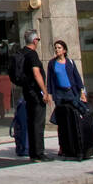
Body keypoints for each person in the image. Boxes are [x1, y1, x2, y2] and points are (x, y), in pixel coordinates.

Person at [46, 39, 90, 160]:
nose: (57, 50)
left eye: (59, 48)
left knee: (75, 118)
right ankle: (63, 146)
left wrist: (82, 92)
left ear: (64, 50)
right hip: (60, 94)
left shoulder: (70, 62)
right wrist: (49, 94)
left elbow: (77, 78)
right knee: (61, 121)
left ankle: (77, 145)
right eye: (56, 47)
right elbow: (49, 80)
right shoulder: (52, 63)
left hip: (72, 92)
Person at [21, 29, 52, 162]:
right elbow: (36, 73)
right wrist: (44, 91)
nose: (38, 42)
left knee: (32, 122)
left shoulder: (22, 53)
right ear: (34, 41)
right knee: (38, 123)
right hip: (35, 93)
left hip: (27, 92)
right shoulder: (32, 55)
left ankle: (34, 152)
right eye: (38, 40)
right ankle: (39, 153)